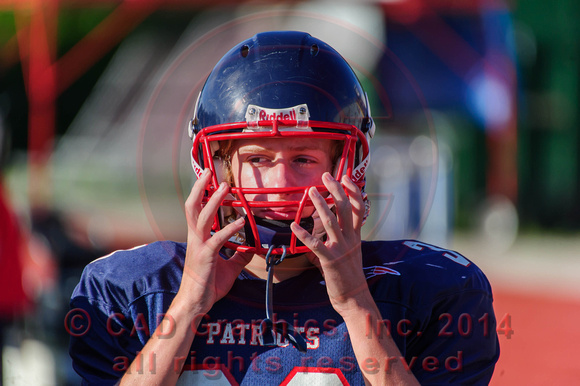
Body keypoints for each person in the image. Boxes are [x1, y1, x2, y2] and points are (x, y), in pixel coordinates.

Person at [68, 31, 499, 385]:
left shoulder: (435, 292)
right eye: (257, 159)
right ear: (219, 166)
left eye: (304, 159)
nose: (280, 183)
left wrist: (356, 304)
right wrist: (187, 305)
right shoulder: (132, 292)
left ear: (349, 165)